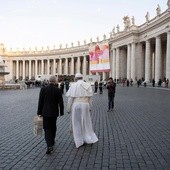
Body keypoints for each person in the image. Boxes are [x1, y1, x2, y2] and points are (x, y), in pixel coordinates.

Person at [65, 73, 98, 148]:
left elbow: (70, 99)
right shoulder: (88, 85)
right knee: (86, 122)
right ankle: (87, 137)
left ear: (76, 78)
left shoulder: (73, 85)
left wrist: (68, 108)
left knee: (76, 122)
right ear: (82, 78)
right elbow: (90, 98)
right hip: (85, 104)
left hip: (76, 104)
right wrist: (90, 107)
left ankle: (78, 140)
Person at [37, 75, 64, 154]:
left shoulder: (43, 89)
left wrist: (39, 112)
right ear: (55, 82)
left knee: (47, 129)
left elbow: (40, 101)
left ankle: (49, 145)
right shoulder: (58, 90)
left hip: (45, 112)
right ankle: (52, 141)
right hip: (54, 112)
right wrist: (61, 112)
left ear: (48, 81)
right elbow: (61, 102)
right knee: (53, 126)